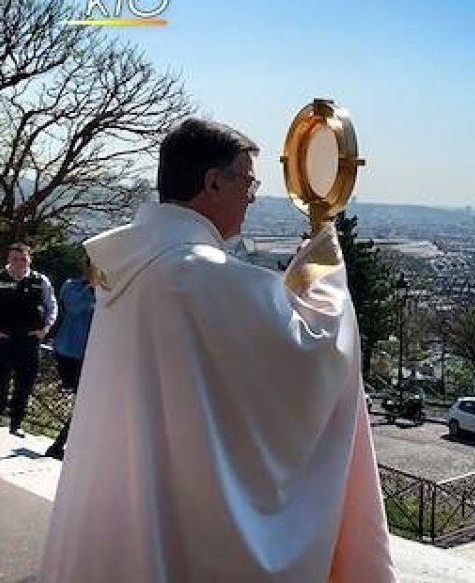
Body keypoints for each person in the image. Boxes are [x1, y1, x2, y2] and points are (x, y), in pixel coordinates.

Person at [40, 118, 396, 582]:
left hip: (124, 494)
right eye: (248, 182)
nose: (252, 197)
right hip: (188, 510)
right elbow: (315, 345)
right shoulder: (196, 273)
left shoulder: (130, 261)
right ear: (212, 182)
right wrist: (324, 271)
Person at [0, 242, 58, 438]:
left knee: (25, 385)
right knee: (1, 384)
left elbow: (52, 305)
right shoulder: (1, 277)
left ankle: (16, 424)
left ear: (30, 259)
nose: (19, 263)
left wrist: (46, 328)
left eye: (23, 259)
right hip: (4, 341)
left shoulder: (40, 281)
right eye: (15, 259)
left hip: (29, 341)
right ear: (9, 259)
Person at [43, 262, 97, 459]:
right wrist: (91, 287)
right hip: (69, 353)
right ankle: (60, 446)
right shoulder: (72, 285)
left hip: (92, 355)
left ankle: (61, 445)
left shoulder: (109, 291)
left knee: (87, 402)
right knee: (85, 401)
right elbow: (74, 307)